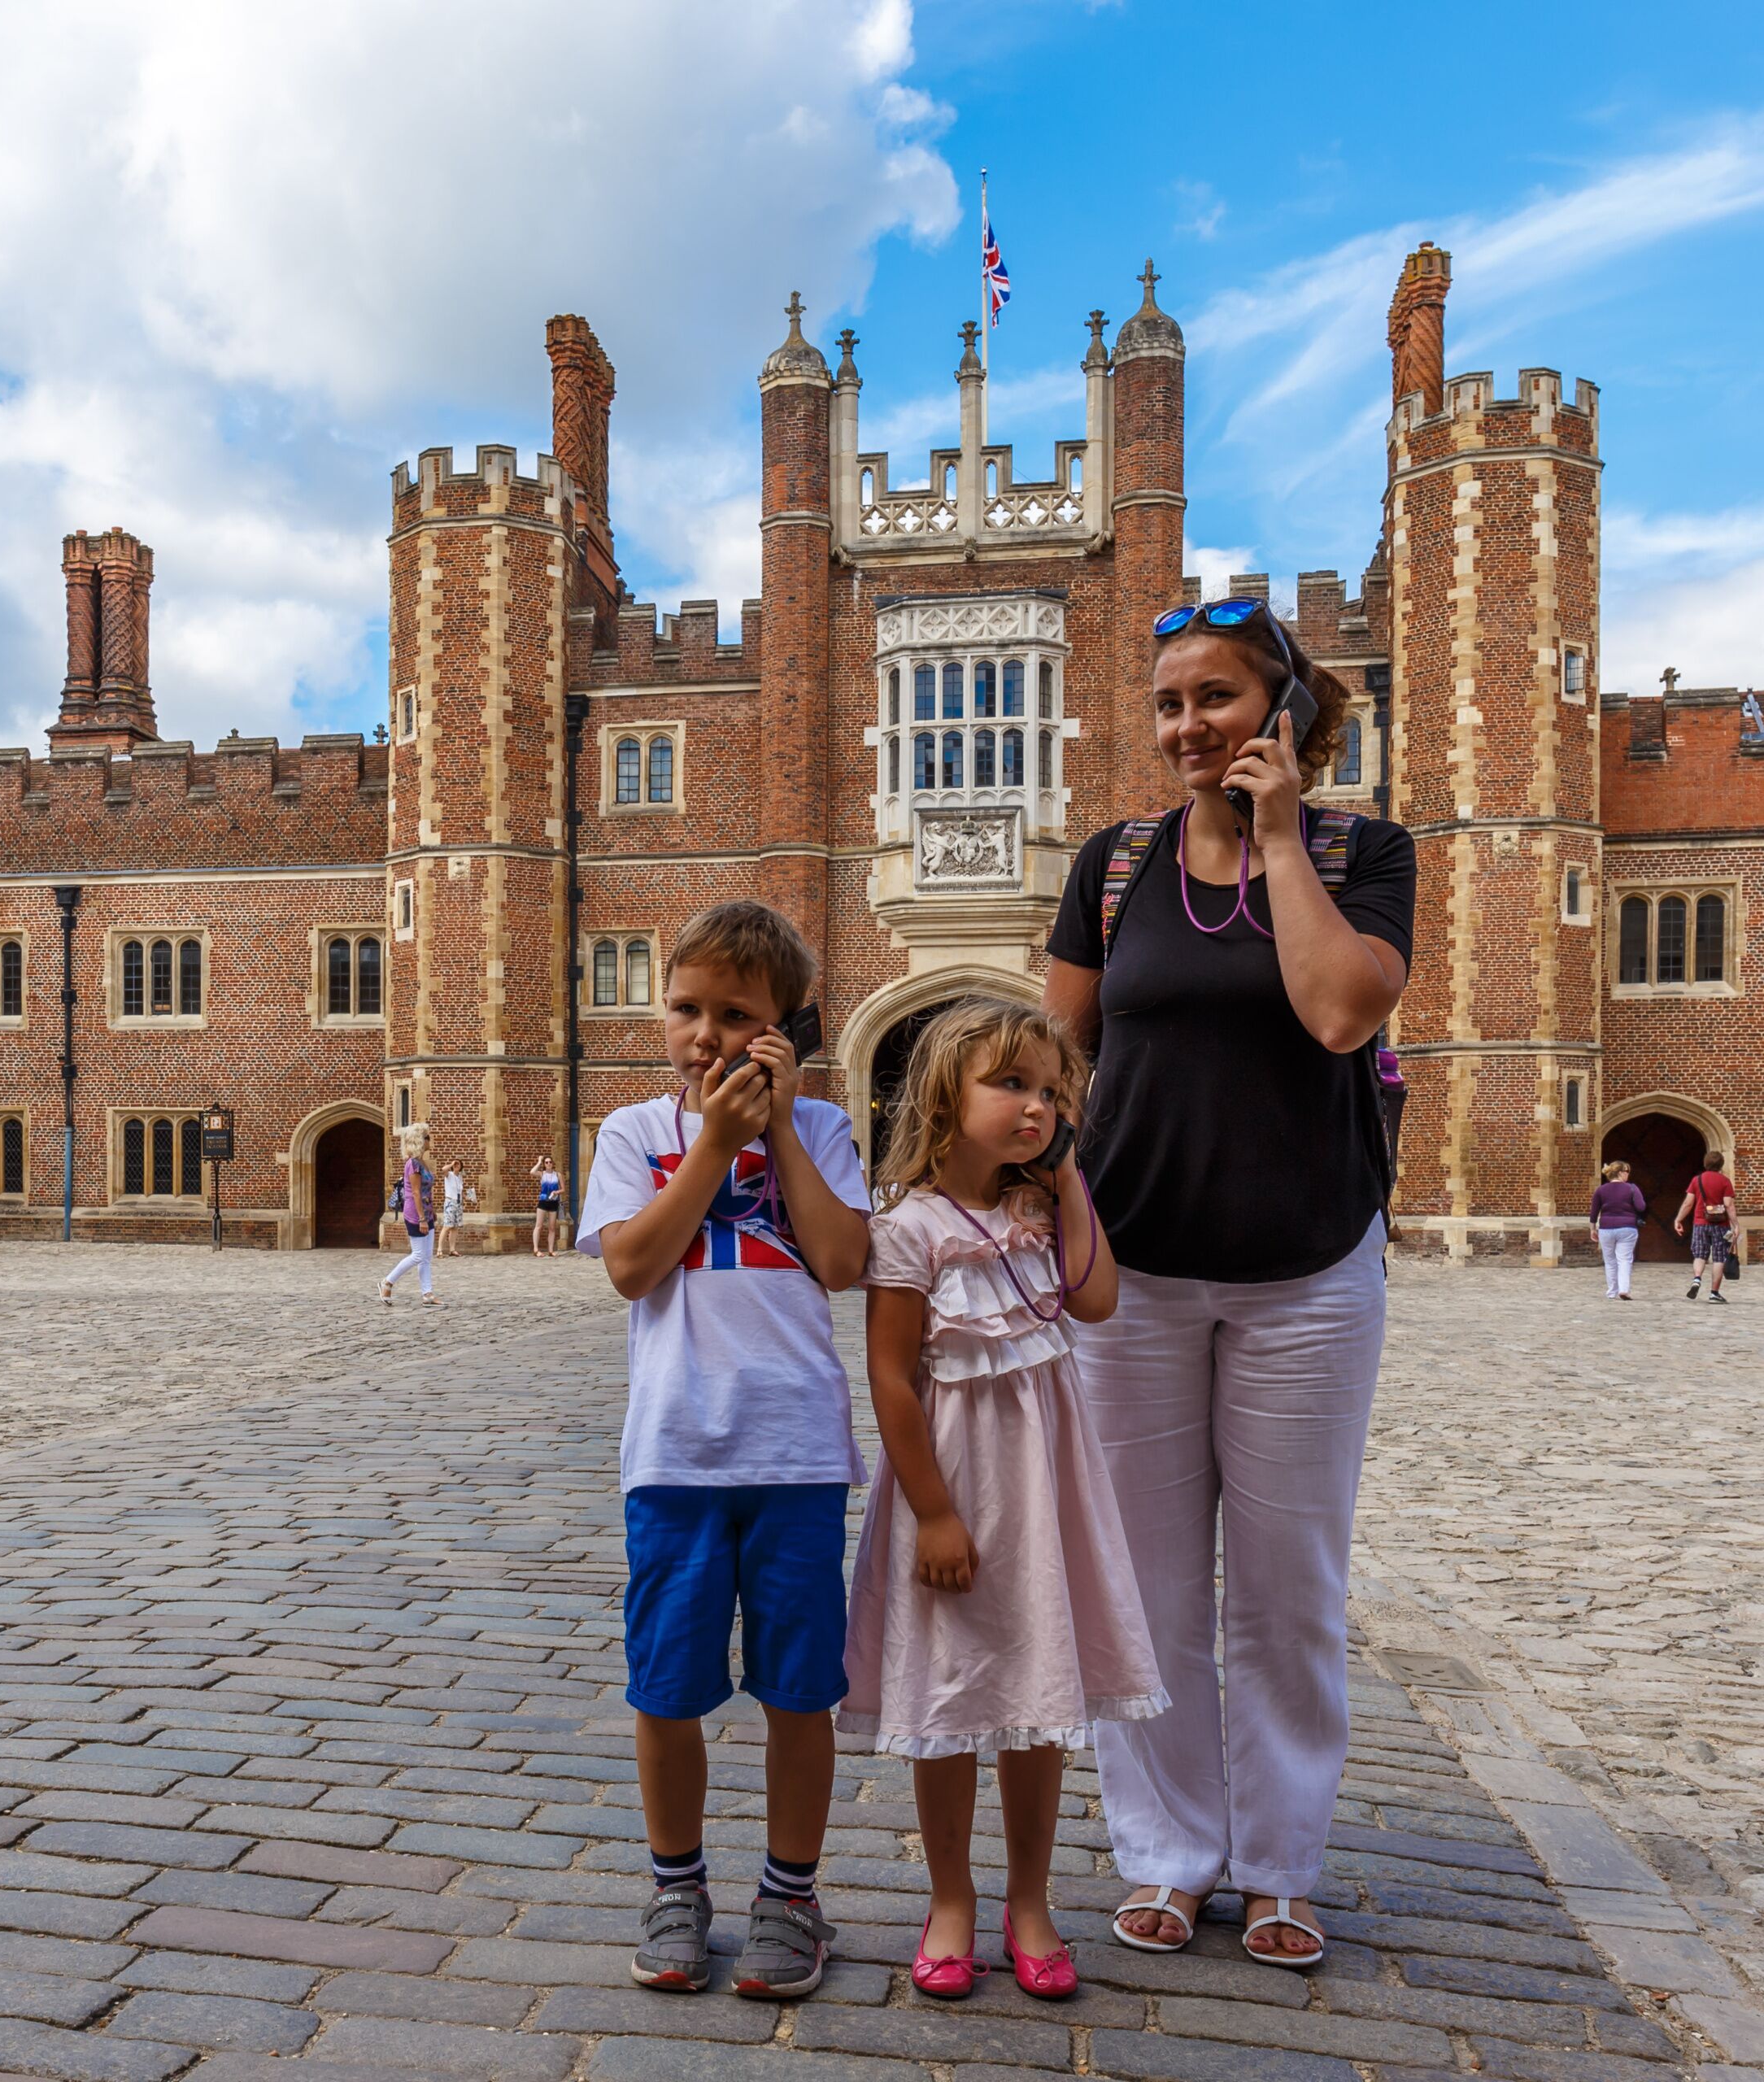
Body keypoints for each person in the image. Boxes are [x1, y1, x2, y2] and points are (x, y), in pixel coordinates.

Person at [1041, 595, 1414, 1968]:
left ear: (1284, 711)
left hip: (1307, 1274)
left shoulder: (1366, 852)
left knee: (1285, 1585)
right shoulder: (1114, 861)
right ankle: (1166, 1850)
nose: (1190, 725)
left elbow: (1335, 1008)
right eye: (1171, 703)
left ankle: (1279, 1862)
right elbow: (1055, 1057)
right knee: (1142, 1589)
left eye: (1219, 698)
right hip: (1129, 1277)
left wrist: (1277, 837)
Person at [843, 996, 1163, 2002]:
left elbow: (1098, 1295)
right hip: (953, 1489)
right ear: (947, 1095)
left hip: (1045, 1491)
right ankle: (951, 1899)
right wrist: (933, 1512)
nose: (1034, 1106)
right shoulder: (908, 1229)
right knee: (948, 1692)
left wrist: (1067, 1176)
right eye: (1011, 1085)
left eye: (1050, 1091)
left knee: (1038, 1699)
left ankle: (1033, 1899)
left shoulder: (1039, 1212)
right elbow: (893, 1379)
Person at [584, 899, 872, 2001]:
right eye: (686, 1008)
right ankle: (676, 1886)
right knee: (668, 1689)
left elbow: (843, 1260)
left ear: (781, 1029)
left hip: (795, 1453)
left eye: (734, 1014)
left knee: (800, 1692)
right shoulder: (631, 1136)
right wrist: (713, 1142)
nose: (704, 1033)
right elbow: (632, 1267)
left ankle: (792, 1897)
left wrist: (783, 1130)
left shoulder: (830, 1133)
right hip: (675, 1457)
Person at [378, 1124, 442, 1305]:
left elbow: (425, 1191)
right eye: (427, 1137)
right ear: (419, 1141)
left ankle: (427, 1293)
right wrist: (422, 1217)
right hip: (415, 1215)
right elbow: (415, 1192)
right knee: (418, 1255)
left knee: (426, 1256)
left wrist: (432, 1210)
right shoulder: (413, 1164)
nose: (430, 1140)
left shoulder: (422, 1162)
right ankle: (387, 1282)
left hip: (427, 1213)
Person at [1679, 1153, 1737, 1302]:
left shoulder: (1696, 1180)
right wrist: (1736, 1225)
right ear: (1721, 1165)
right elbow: (1728, 1205)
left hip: (1700, 1223)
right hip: (1720, 1224)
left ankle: (1697, 1279)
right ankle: (1714, 1293)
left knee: (1699, 1255)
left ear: (1705, 1163)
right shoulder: (1725, 1181)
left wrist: (1678, 1219)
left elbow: (1688, 1203)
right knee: (1719, 1258)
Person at [1591, 1161, 1646, 1299]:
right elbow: (1641, 1207)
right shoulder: (1632, 1188)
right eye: (1627, 1172)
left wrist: (1592, 1229)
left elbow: (1594, 1212)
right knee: (1625, 1259)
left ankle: (1611, 1292)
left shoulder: (1601, 1190)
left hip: (1606, 1228)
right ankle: (1624, 1289)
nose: (1628, 1175)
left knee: (1609, 1261)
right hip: (1627, 1228)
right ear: (1621, 1173)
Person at [531, 1156, 564, 1257]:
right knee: (539, 1226)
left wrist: (556, 1192)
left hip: (553, 1202)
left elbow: (563, 1189)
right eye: (546, 1162)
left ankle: (550, 1250)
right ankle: (536, 1249)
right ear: (544, 1165)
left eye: (550, 1162)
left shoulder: (558, 1175)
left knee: (552, 1227)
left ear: (553, 1163)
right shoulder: (542, 1174)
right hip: (543, 1202)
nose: (549, 1164)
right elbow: (532, 1172)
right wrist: (539, 1161)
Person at [438, 1162, 468, 1257]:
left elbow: (460, 1191)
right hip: (450, 1202)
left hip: (458, 1203)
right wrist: (452, 1163)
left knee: (455, 1227)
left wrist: (467, 1197)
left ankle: (452, 1249)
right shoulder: (449, 1175)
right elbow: (443, 1169)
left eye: (458, 1164)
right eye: (455, 1164)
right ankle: (439, 1250)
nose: (456, 1165)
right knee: (447, 1226)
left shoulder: (460, 1177)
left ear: (461, 1167)